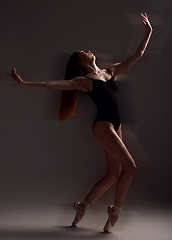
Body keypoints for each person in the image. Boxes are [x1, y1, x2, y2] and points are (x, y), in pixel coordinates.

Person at [7, 13, 152, 232]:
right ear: (79, 63)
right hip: (104, 126)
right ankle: (116, 210)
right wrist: (23, 83)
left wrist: (148, 32)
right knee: (131, 167)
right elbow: (50, 85)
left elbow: (138, 54)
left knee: (113, 174)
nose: (88, 50)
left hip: (116, 125)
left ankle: (82, 206)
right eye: (83, 52)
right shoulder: (83, 81)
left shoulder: (110, 71)